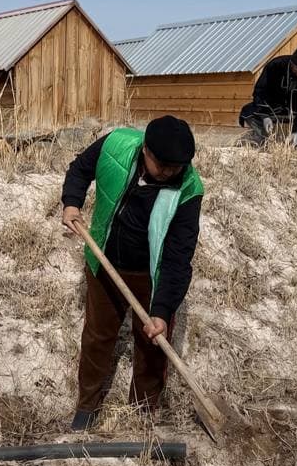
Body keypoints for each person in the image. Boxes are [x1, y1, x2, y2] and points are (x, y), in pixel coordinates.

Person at [60, 116, 203, 430]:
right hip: (104, 262)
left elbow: (179, 257)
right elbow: (80, 168)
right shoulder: (117, 146)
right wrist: (72, 202)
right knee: (97, 336)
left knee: (153, 343)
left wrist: (162, 311)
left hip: (151, 274)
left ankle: (143, 409)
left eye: (176, 168)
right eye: (162, 166)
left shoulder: (188, 189)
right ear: (145, 150)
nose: (168, 173)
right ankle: (87, 405)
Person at [240, 42, 297, 148]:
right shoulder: (275, 65)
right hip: (273, 107)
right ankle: (264, 141)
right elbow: (259, 92)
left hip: (296, 108)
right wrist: (264, 116)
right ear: (292, 62)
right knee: (248, 110)